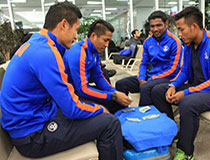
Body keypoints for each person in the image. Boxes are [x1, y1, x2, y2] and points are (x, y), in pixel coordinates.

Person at [0, 2, 123, 160]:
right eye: (76, 30)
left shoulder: (35, 43)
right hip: (32, 136)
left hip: (35, 117)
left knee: (93, 109)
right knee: (110, 123)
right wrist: (99, 109)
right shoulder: (47, 53)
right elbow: (72, 108)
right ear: (64, 24)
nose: (76, 37)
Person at [150, 7, 210, 160]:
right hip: (197, 86)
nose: (179, 34)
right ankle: (174, 133)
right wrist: (173, 86)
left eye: (181, 30)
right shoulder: (188, 45)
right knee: (157, 91)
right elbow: (185, 72)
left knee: (187, 103)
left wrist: (186, 92)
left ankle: (186, 151)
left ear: (194, 26)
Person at [63, 20, 132, 114]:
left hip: (82, 90)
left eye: (109, 41)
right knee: (107, 110)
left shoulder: (95, 52)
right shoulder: (78, 52)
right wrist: (113, 95)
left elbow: (98, 76)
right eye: (105, 40)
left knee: (120, 102)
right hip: (72, 94)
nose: (107, 45)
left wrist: (114, 92)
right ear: (93, 36)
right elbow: (82, 89)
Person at [116, 10, 183, 107]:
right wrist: (141, 79)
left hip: (167, 77)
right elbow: (144, 63)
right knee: (121, 84)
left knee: (145, 87)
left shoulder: (174, 41)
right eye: (152, 26)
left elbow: (173, 70)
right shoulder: (148, 42)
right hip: (150, 76)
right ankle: (122, 114)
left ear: (166, 24)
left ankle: (145, 118)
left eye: (159, 25)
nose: (155, 29)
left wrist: (151, 79)